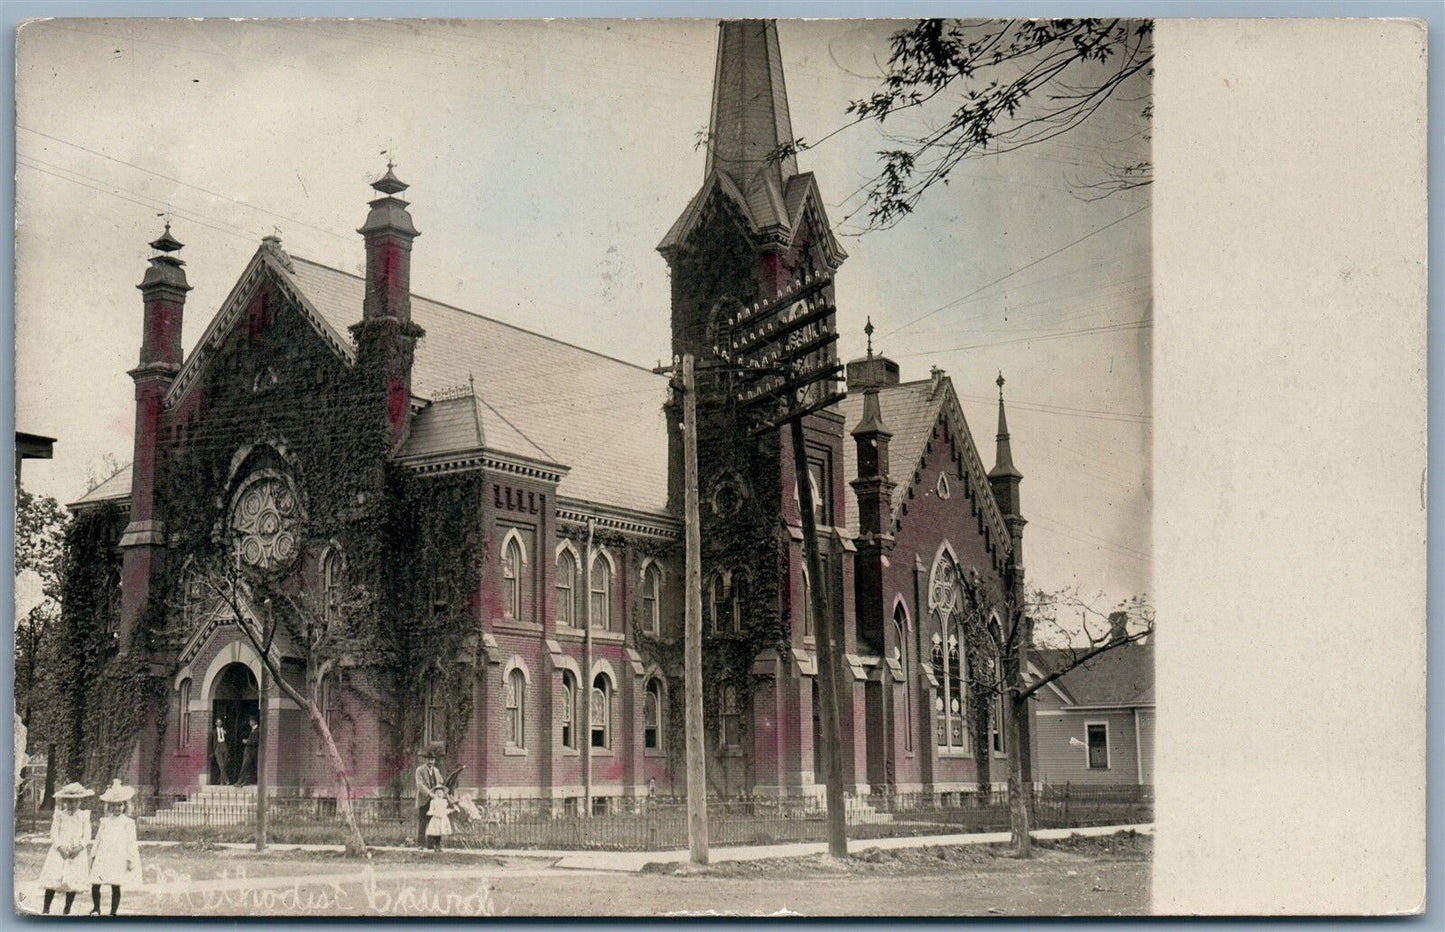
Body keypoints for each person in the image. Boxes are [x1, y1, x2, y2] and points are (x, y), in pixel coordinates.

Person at [37, 782, 93, 914]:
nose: (73, 804)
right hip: (60, 851)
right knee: (53, 879)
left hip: (76, 851)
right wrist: (59, 847)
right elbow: (54, 833)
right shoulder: (59, 815)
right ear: (65, 802)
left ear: (80, 801)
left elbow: (87, 834)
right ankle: (46, 908)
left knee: (72, 881)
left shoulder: (84, 816)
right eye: (70, 801)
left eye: (76, 801)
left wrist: (80, 847)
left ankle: (67, 909)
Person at [88, 780, 141, 916]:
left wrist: (130, 859)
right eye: (113, 805)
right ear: (109, 806)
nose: (116, 808)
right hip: (103, 855)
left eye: (120, 805)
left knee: (115, 885)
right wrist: (93, 854)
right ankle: (96, 908)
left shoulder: (128, 823)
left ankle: (113, 912)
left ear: (125, 806)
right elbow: (98, 839)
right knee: (96, 883)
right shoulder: (105, 822)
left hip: (118, 856)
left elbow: (131, 842)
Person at [413, 745, 444, 849]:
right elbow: (420, 785)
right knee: (423, 822)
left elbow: (440, 783)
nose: (430, 762)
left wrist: (440, 793)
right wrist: (430, 794)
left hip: (435, 801)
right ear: (425, 760)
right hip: (424, 800)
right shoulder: (419, 770)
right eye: (429, 759)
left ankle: (432, 844)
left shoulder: (436, 771)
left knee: (434, 822)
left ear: (434, 760)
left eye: (432, 759)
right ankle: (420, 844)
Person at [424, 786, 453, 852]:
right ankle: (434, 845)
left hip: (442, 819)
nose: (439, 795)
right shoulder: (433, 802)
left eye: (440, 793)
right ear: (435, 794)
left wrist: (451, 810)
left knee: (440, 833)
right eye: (437, 793)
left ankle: (438, 845)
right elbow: (431, 810)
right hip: (436, 819)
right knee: (435, 833)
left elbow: (445, 810)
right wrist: (434, 813)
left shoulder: (444, 801)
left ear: (443, 794)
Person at [234, 716, 258, 787]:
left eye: (251, 721)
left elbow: (255, 742)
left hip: (250, 752)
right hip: (250, 751)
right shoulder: (253, 730)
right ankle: (245, 781)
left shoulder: (257, 731)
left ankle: (240, 782)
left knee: (244, 767)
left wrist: (247, 742)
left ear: (254, 721)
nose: (250, 723)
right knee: (248, 768)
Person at [211, 717, 230, 786]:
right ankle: (226, 780)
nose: (219, 723)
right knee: (221, 765)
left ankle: (221, 781)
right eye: (218, 722)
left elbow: (229, 740)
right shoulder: (213, 731)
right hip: (217, 747)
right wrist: (212, 751)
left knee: (224, 765)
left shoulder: (225, 731)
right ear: (216, 723)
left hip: (224, 746)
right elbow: (211, 742)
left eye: (220, 722)